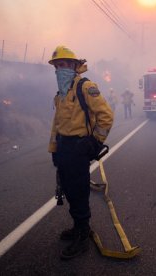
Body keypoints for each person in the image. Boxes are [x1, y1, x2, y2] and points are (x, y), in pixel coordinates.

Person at [48, 45, 113, 260]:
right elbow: (56, 124)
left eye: (64, 64)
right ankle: (77, 227)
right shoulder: (61, 94)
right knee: (67, 188)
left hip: (80, 148)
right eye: (57, 66)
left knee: (78, 190)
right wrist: (54, 149)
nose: (60, 69)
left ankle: (83, 234)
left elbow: (106, 116)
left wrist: (94, 142)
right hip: (65, 148)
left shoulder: (85, 87)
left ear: (75, 66)